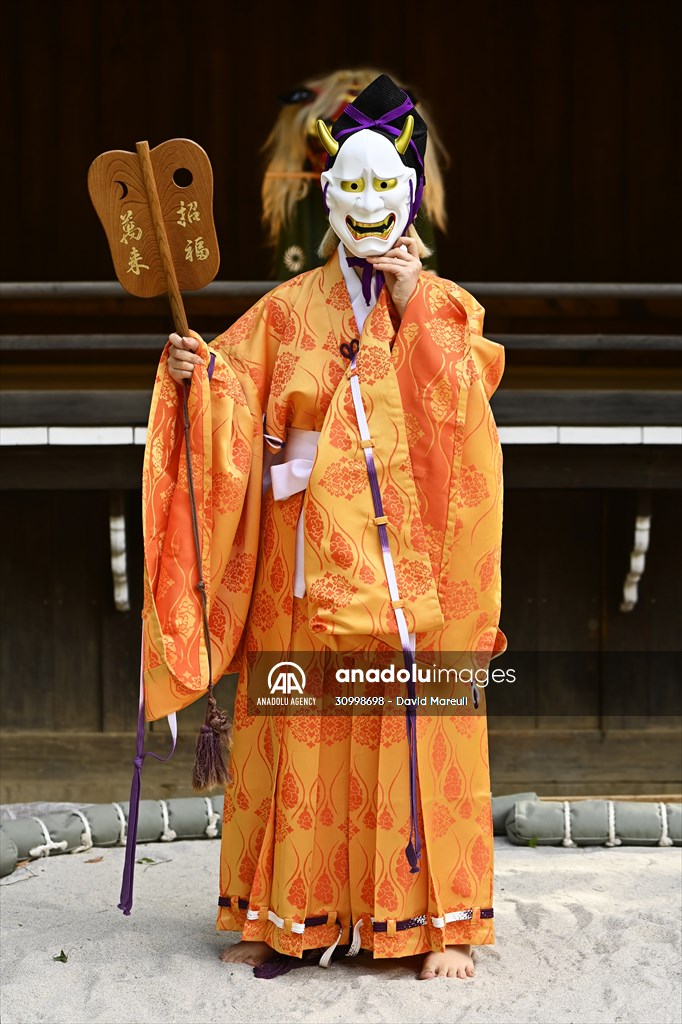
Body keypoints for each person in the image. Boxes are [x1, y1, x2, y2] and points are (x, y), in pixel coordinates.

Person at [149, 73, 506, 980]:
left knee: (407, 724)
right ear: (328, 196)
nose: (370, 207)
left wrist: (416, 302)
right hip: (306, 558)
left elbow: (464, 427)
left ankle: (432, 924)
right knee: (302, 714)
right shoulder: (286, 310)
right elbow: (235, 400)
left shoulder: (445, 308)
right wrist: (198, 378)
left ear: (410, 195)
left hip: (406, 562)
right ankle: (286, 913)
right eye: (353, 187)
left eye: (388, 187)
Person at [261, 68, 448, 278]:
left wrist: (410, 301)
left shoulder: (408, 197)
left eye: (384, 184)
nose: (368, 204)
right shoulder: (300, 199)